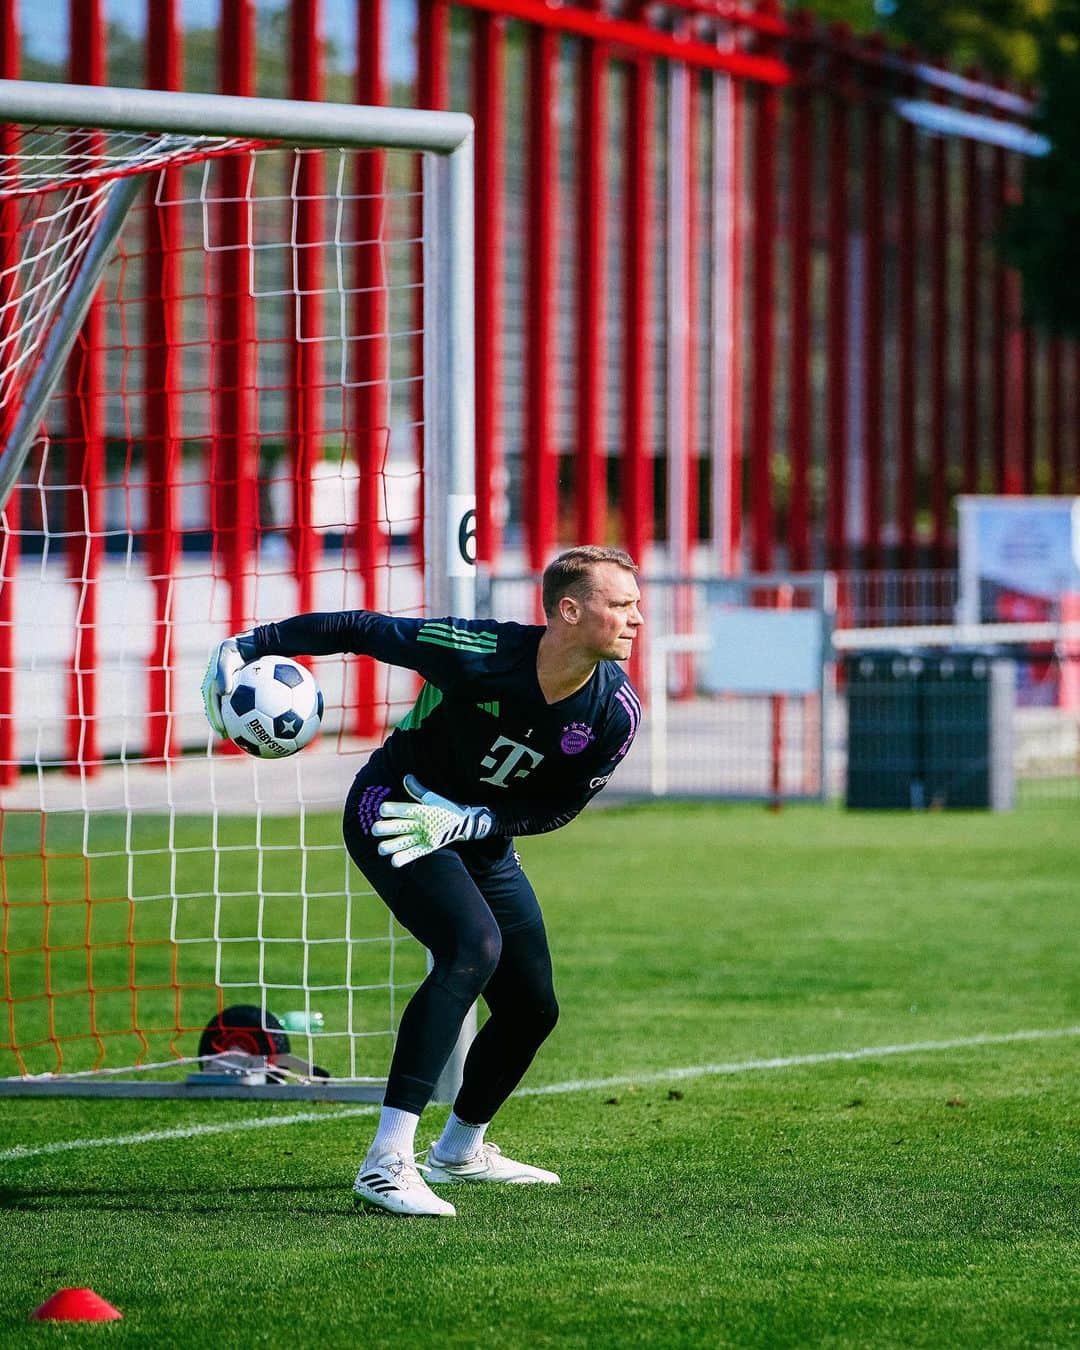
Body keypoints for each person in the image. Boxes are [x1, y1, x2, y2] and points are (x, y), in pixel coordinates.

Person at [201, 544, 643, 1217]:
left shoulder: (614, 713)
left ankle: (460, 1150)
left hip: (474, 834)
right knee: (472, 948)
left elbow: (560, 805)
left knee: (532, 1006)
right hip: (394, 809)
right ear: (569, 610)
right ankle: (386, 1163)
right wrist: (254, 643)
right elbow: (365, 628)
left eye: (635, 604)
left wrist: (474, 820)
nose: (636, 618)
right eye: (621, 605)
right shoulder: (477, 651)